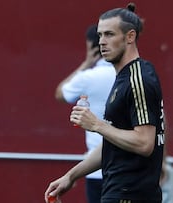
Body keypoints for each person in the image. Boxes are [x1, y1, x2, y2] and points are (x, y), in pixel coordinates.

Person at [45, 3, 165, 203]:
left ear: (130, 37)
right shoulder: (124, 77)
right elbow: (111, 143)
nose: (102, 42)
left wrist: (96, 125)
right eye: (100, 35)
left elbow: (144, 143)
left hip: (130, 194)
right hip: (116, 191)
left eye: (109, 34)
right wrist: (71, 176)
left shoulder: (138, 79)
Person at [54, 24, 116, 203]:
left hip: (95, 169)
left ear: (91, 46)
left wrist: (86, 63)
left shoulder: (88, 77)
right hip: (130, 169)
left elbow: (60, 93)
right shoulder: (133, 75)